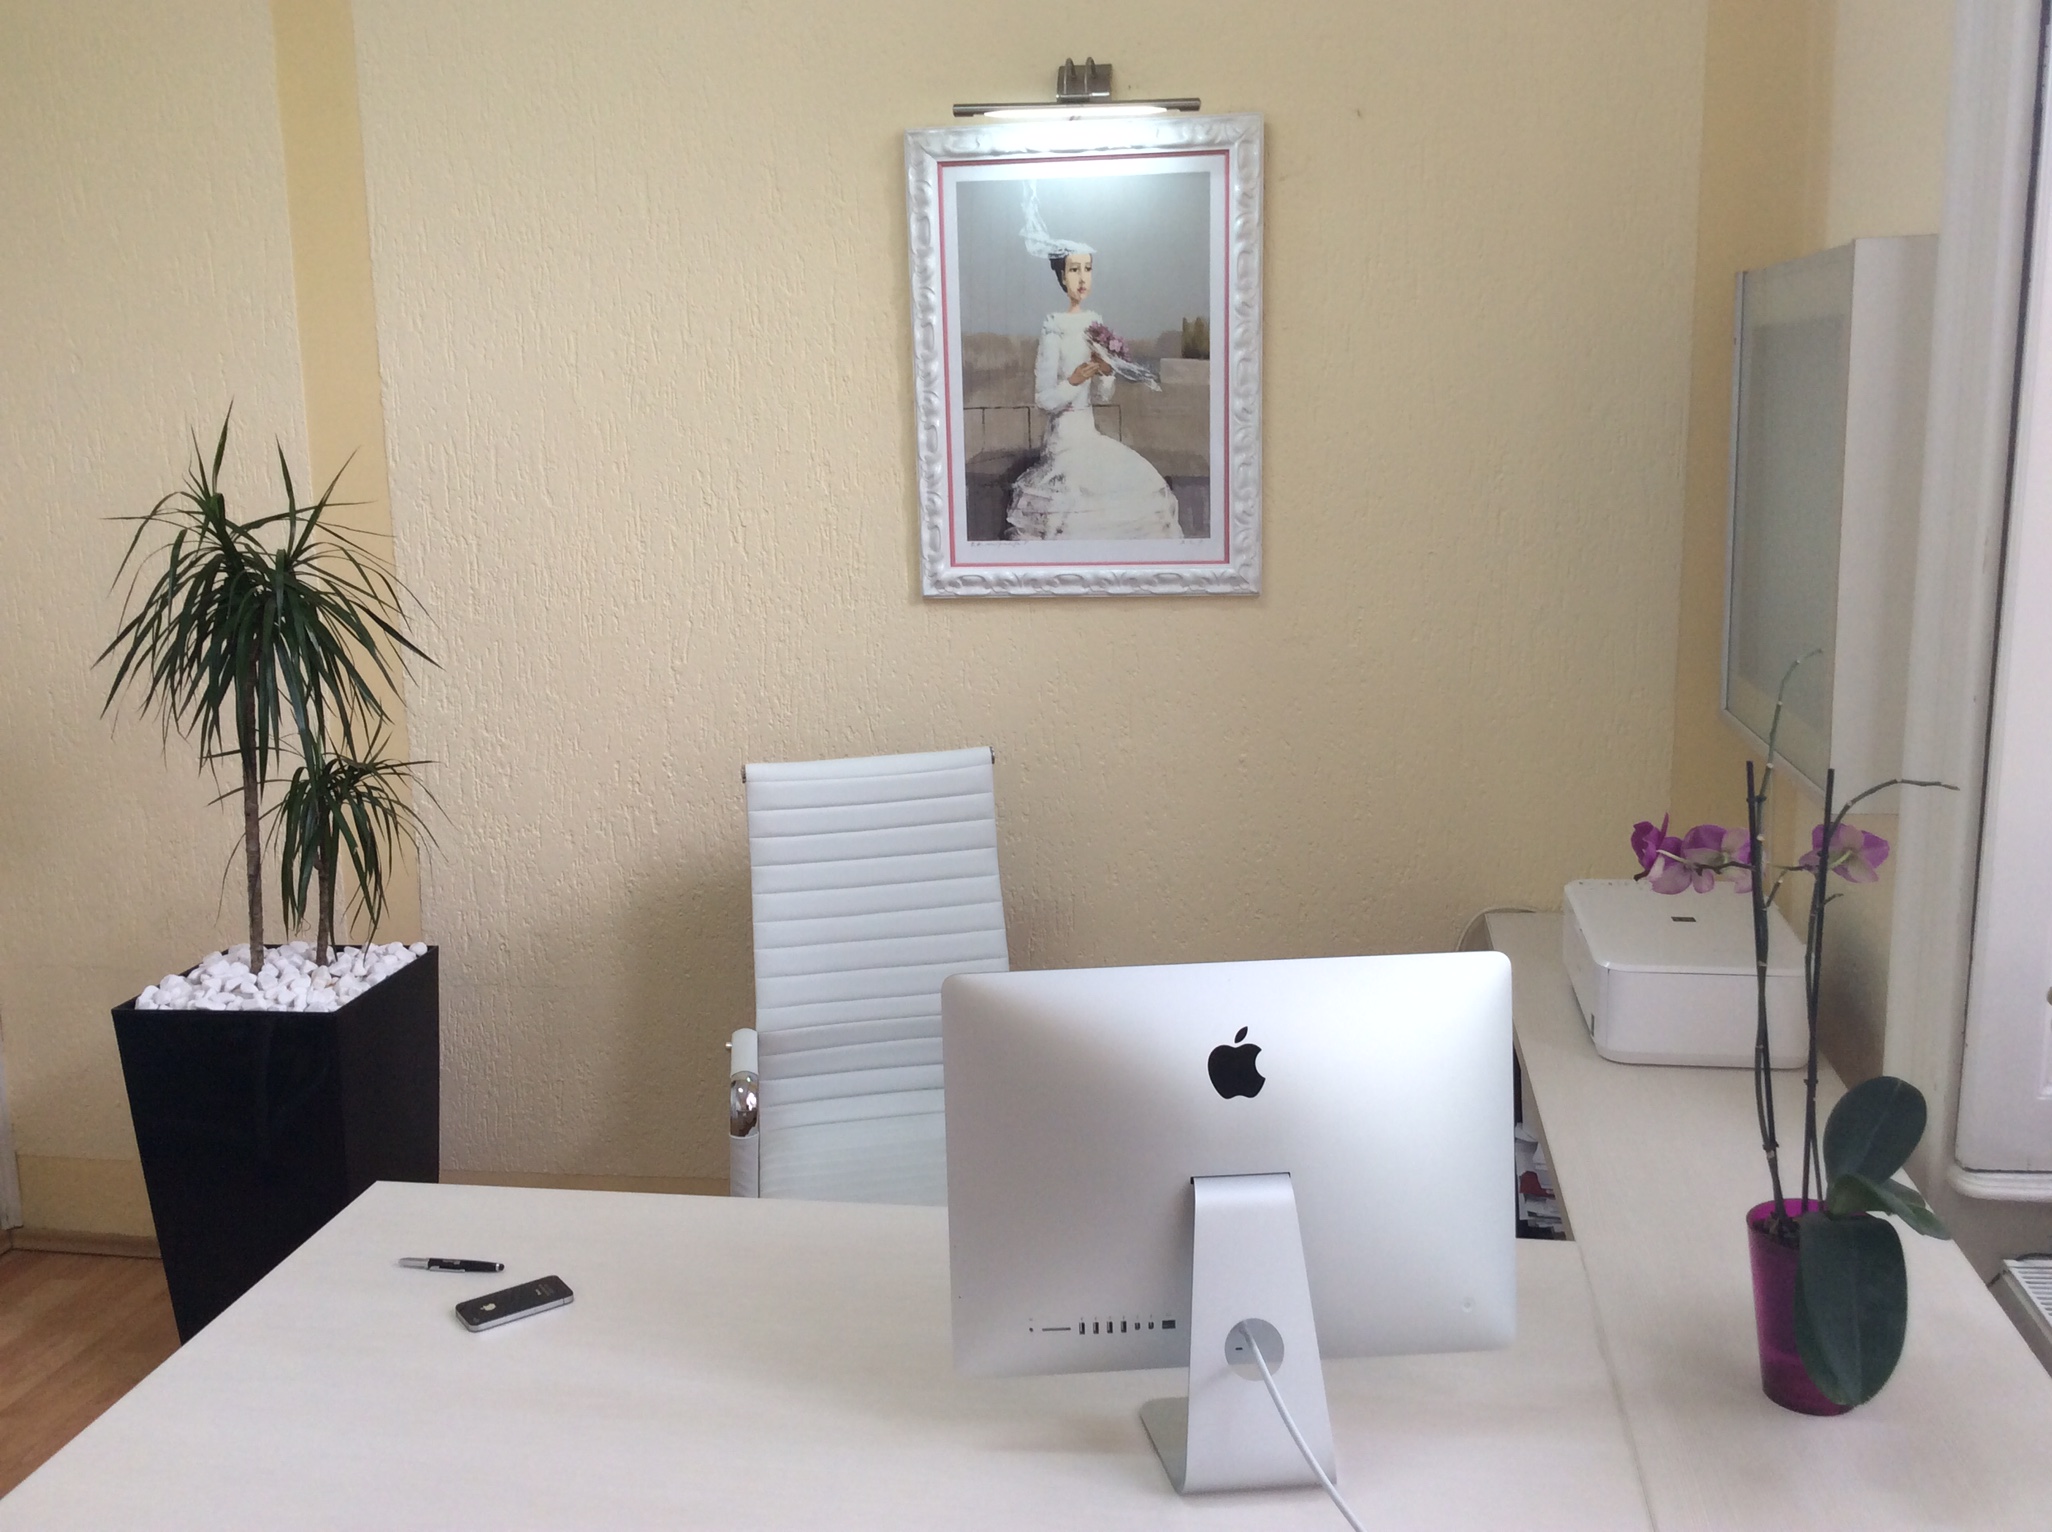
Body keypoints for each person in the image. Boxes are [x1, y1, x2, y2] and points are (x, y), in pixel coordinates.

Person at [1006, 187, 1183, 541]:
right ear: (1061, 276)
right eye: (1074, 270)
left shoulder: (1094, 322)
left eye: (1087, 269)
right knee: (1076, 505)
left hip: (1089, 434)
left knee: (1137, 482)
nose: (1082, 278)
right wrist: (1073, 380)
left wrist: (1105, 373)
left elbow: (1102, 396)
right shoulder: (1054, 325)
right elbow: (1044, 399)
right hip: (1063, 442)